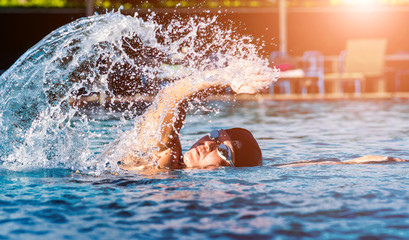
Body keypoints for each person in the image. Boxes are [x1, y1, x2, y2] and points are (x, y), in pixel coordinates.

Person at [119, 61, 272, 172]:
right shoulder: (166, 158)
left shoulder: (172, 171)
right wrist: (227, 76)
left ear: (230, 169)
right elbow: (170, 97)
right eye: (215, 136)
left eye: (223, 151)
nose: (209, 145)